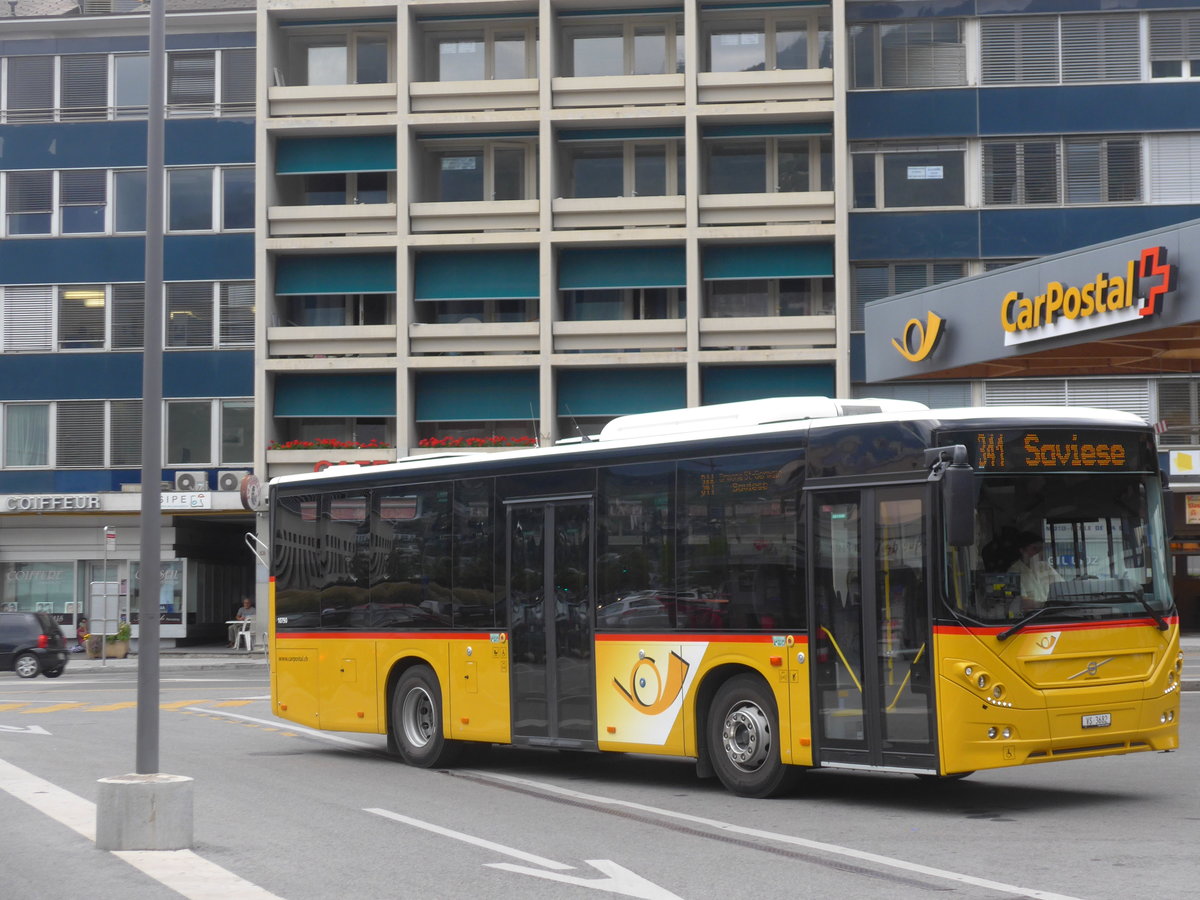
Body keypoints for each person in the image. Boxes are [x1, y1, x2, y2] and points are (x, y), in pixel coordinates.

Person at [1007, 531, 1062, 609]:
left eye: (1040, 549)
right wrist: (1045, 606)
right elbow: (1020, 602)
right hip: (1031, 617)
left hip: (1053, 613)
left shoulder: (1045, 567)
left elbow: (1061, 588)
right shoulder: (1014, 572)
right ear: (1022, 550)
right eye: (1034, 548)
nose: (1038, 552)